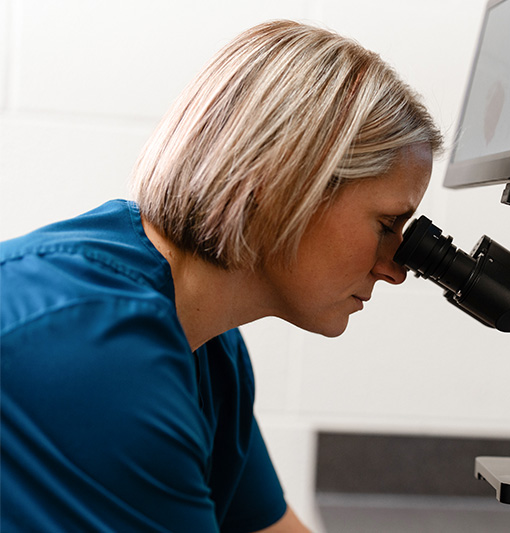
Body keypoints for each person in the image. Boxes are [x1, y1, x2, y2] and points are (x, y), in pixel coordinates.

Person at [0, 20, 443, 532]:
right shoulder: (98, 353)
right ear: (279, 182)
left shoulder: (208, 348)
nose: (395, 270)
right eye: (388, 225)